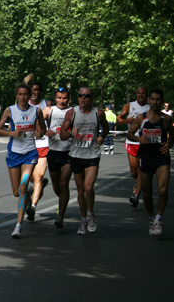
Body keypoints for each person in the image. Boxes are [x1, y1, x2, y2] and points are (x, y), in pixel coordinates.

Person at [0, 83, 43, 238]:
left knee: (22, 186)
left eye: (25, 94)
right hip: (14, 153)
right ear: (16, 95)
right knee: (17, 192)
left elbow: (41, 129)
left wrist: (38, 133)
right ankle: (28, 195)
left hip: (30, 154)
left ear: (29, 96)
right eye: (20, 94)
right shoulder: (10, 110)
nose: (23, 97)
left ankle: (18, 226)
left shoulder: (36, 111)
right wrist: (11, 133)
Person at [60, 87, 109, 235]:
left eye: (87, 96)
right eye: (81, 95)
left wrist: (102, 137)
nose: (83, 98)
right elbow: (62, 134)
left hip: (92, 155)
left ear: (92, 98)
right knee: (81, 191)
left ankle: (90, 214)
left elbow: (106, 128)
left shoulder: (98, 113)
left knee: (88, 188)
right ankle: (83, 219)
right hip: (76, 155)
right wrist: (69, 133)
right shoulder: (72, 113)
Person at [127, 89, 174, 236]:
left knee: (163, 190)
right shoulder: (141, 118)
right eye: (153, 99)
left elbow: (173, 134)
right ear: (149, 100)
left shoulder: (166, 119)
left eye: (158, 99)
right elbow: (130, 133)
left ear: (162, 101)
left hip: (161, 158)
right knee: (147, 193)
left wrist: (169, 144)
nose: (155, 102)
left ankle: (159, 218)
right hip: (146, 158)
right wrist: (138, 139)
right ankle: (151, 217)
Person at [42, 87, 72, 228]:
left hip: (69, 152)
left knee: (63, 182)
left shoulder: (73, 112)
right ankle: (63, 201)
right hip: (53, 151)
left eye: (64, 98)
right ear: (55, 98)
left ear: (69, 99)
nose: (62, 100)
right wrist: (43, 131)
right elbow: (37, 121)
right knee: (55, 185)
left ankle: (60, 216)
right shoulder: (49, 110)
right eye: (59, 97)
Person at [117, 86, 150, 208]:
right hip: (132, 141)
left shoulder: (150, 107)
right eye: (139, 93)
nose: (141, 96)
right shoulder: (129, 106)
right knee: (134, 171)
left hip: (144, 142)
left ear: (146, 95)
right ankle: (137, 184)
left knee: (141, 169)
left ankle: (136, 195)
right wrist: (128, 121)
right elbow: (118, 119)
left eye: (143, 94)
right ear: (136, 95)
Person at [25, 75, 50, 222]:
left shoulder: (46, 105)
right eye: (32, 89)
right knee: (27, 181)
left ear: (40, 92)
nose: (34, 92)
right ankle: (33, 194)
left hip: (42, 144)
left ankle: (33, 207)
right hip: (26, 145)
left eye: (37, 90)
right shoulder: (23, 103)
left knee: (38, 176)